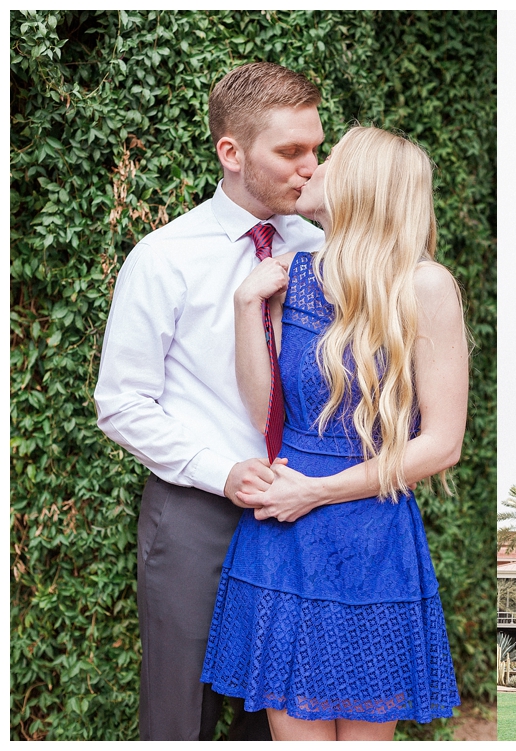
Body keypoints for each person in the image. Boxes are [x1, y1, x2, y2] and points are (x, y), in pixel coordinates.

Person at [200, 126, 468, 741]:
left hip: (371, 540)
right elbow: (267, 410)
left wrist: (316, 493)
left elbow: (441, 443)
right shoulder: (289, 277)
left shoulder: (425, 287)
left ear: (363, 185)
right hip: (285, 537)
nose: (311, 168)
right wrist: (247, 309)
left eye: (330, 160)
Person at [94, 62, 328, 740]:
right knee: (179, 717)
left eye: (315, 148)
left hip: (302, 511)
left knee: (284, 716)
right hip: (197, 513)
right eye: (290, 151)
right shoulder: (164, 258)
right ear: (231, 152)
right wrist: (219, 469)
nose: (310, 168)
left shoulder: (323, 251)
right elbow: (121, 402)